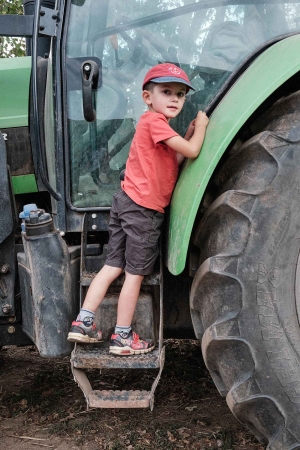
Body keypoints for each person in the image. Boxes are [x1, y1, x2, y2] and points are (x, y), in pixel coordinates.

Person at [67, 63, 209, 355]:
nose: (175, 99)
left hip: (126, 202)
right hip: (143, 209)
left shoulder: (159, 129)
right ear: (147, 97)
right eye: (166, 91)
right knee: (134, 275)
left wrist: (190, 131)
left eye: (180, 95)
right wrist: (203, 128)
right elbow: (193, 152)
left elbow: (177, 163)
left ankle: (83, 322)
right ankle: (122, 337)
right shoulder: (154, 122)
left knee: (112, 266)